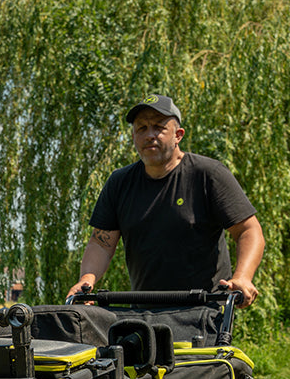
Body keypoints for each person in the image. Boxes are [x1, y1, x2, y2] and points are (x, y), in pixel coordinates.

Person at [66, 95, 265, 306]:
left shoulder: (208, 175)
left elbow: (248, 231)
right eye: (141, 128)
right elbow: (101, 243)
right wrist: (87, 279)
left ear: (178, 135)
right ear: (133, 136)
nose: (149, 135)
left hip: (203, 312)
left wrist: (243, 276)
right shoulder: (120, 182)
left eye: (159, 127)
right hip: (143, 313)